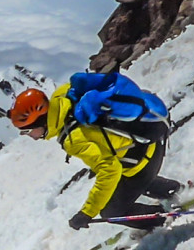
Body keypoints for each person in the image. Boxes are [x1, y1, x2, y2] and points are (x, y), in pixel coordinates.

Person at [9, 85, 180, 230]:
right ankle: (172, 190)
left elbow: (110, 170)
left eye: (27, 131)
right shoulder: (64, 95)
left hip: (144, 156)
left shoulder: (73, 139)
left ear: (40, 122)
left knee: (111, 211)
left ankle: (163, 218)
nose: (29, 136)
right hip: (150, 130)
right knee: (125, 181)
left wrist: (87, 213)